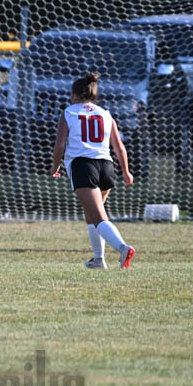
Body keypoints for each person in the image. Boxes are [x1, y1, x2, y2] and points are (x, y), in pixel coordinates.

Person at [50, 72, 136, 269]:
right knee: (91, 213)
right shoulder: (105, 113)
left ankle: (123, 248)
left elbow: (60, 146)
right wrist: (126, 171)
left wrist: (55, 167)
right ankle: (98, 259)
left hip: (83, 166)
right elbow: (119, 147)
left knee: (99, 218)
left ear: (74, 95)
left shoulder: (69, 113)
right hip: (106, 166)